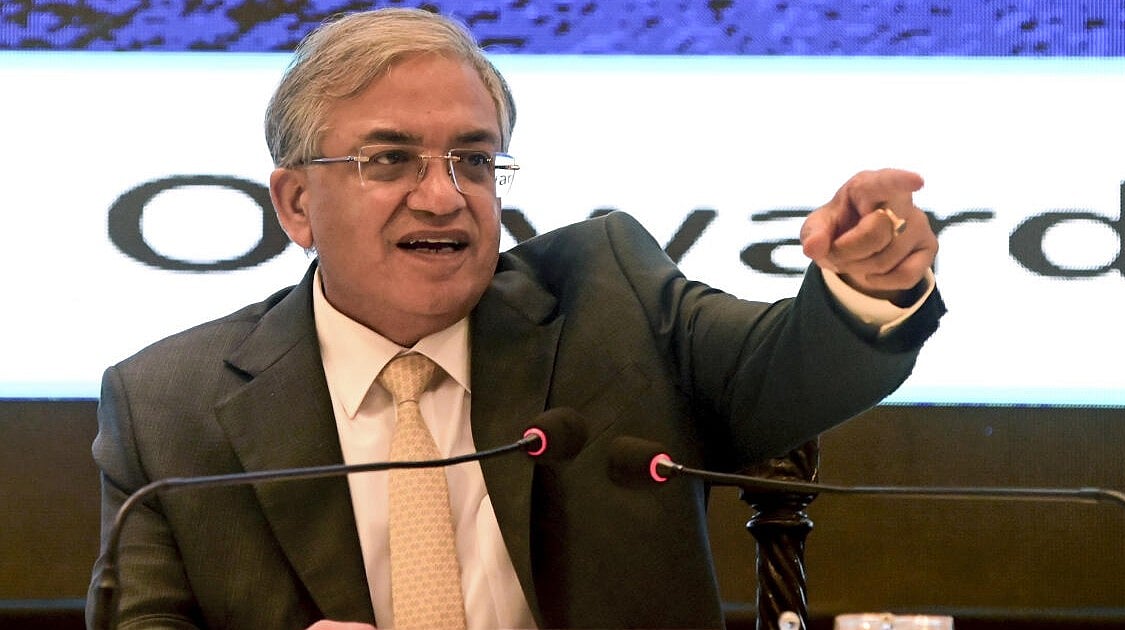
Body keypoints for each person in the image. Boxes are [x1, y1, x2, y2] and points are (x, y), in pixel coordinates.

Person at [87, 7, 945, 630]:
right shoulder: (167, 407)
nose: (443, 196)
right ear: (297, 203)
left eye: (473, 159)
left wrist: (865, 283)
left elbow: (787, 369)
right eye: (391, 159)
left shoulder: (609, 301)